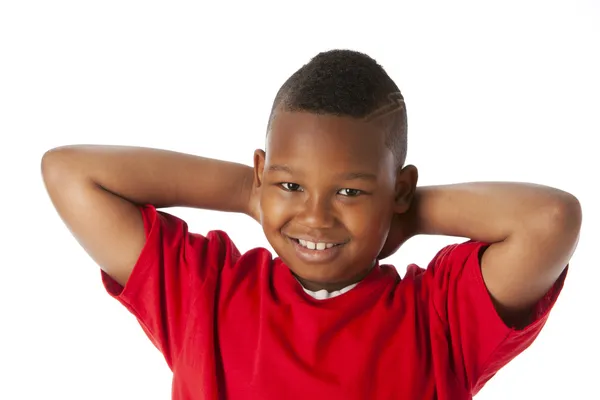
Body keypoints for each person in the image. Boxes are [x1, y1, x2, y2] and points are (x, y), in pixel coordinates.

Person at [41, 49, 581, 400]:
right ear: (261, 173)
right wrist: (250, 196)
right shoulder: (203, 291)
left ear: (400, 188)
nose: (316, 217)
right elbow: (69, 173)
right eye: (291, 186)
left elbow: (549, 220)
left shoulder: (437, 317)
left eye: (350, 191)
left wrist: (404, 213)